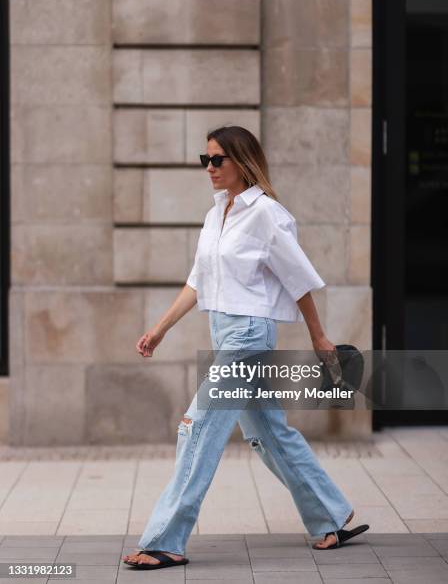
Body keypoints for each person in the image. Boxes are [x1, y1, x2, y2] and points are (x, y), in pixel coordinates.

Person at [122, 126, 369, 571]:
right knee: (268, 434)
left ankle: (166, 539)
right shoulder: (217, 214)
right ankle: (331, 515)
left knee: (196, 429)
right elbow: (197, 280)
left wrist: (318, 337)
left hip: (249, 337)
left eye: (218, 160)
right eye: (206, 160)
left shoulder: (267, 215)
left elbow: (300, 280)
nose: (210, 169)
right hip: (223, 332)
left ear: (243, 161)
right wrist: (160, 329)